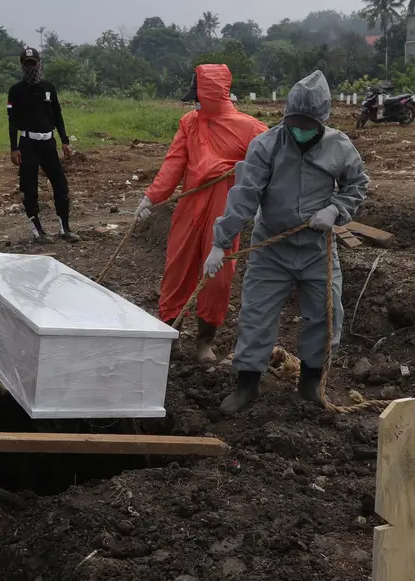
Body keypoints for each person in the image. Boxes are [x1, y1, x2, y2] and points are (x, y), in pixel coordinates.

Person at [209, 70, 370, 414]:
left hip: (317, 249)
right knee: (256, 313)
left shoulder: (340, 146)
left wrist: (336, 209)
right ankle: (247, 384)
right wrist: (220, 242)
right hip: (272, 248)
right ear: (286, 117)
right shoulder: (266, 145)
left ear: (322, 121)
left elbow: (357, 185)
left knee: (327, 315)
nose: (300, 130)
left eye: (308, 125)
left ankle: (311, 382)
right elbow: (245, 196)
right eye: (294, 122)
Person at [134, 65, 267, 363]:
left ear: (211, 94)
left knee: (217, 276)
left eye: (198, 96)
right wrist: (150, 197)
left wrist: (263, 205)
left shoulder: (252, 129)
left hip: (224, 210)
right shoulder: (189, 124)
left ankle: (204, 341)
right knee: (177, 268)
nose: (194, 102)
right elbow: (174, 164)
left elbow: (270, 168)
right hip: (190, 205)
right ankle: (171, 332)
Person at [8, 47, 78, 244]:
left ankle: (65, 228)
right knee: (30, 188)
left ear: (39, 63)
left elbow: (57, 115)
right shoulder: (16, 90)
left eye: (34, 63)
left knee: (60, 185)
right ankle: (37, 230)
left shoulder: (49, 87)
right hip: (28, 143)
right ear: (22, 65)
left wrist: (65, 140)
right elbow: (12, 121)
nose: (31, 66)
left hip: (48, 142)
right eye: (27, 63)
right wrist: (14, 148)